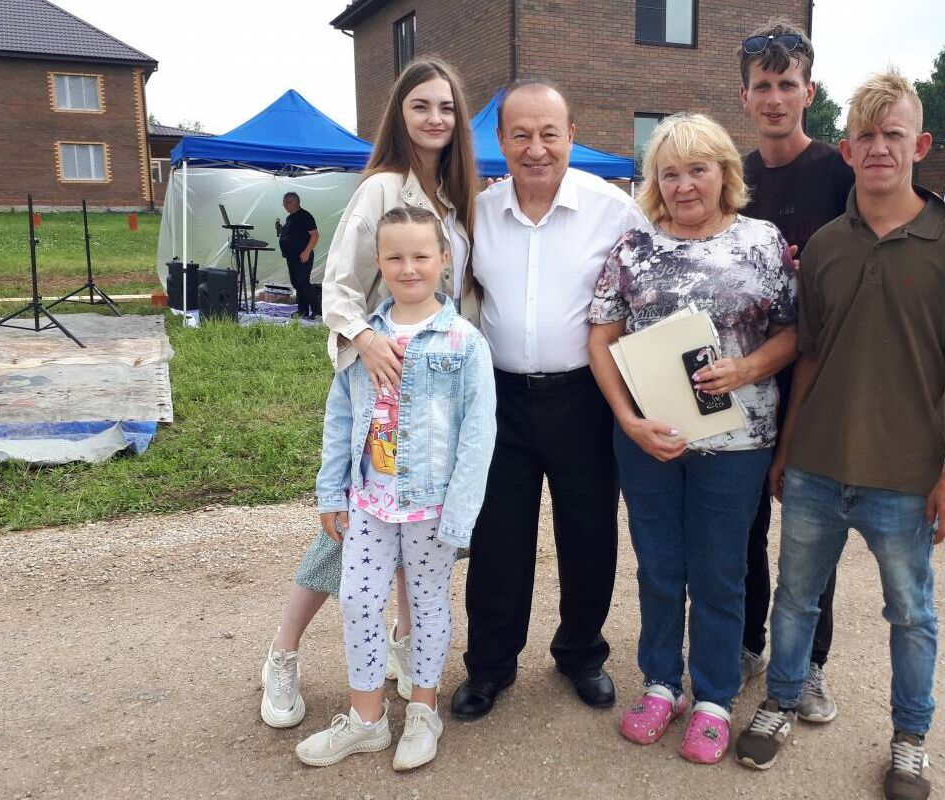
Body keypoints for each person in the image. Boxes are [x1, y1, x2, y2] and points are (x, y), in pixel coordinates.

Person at [734, 71, 945, 800]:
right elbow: (810, 353)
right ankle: (782, 700)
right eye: (866, 136)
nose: (879, 148)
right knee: (795, 599)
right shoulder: (823, 246)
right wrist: (787, 449)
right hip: (819, 463)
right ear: (847, 151)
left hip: (905, 475)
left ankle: (910, 738)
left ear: (920, 145)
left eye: (893, 135)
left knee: (911, 614)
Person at [259, 57, 479, 729]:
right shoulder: (384, 187)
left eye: (446, 106)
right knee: (345, 536)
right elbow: (341, 285)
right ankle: (282, 654)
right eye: (422, 106)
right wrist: (364, 338)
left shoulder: (450, 197)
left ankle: (407, 647)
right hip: (383, 383)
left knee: (419, 537)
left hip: (437, 391)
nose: (436, 117)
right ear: (400, 115)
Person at [588, 113, 797, 764]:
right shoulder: (634, 247)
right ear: (655, 184)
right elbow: (601, 338)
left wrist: (748, 367)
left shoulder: (763, 243)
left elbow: (796, 332)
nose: (684, 185)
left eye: (697, 169)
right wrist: (626, 419)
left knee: (719, 574)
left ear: (724, 173)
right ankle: (660, 684)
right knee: (658, 567)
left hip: (736, 445)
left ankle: (712, 697)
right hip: (650, 441)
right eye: (669, 173)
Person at [450, 79, 647, 721]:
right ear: (500, 141)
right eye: (521, 135)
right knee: (499, 537)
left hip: (586, 396)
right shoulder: (476, 214)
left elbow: (659, 274)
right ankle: (489, 667)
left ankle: (582, 653)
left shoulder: (612, 209)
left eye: (549, 134)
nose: (536, 149)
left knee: (589, 532)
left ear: (570, 136)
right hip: (500, 399)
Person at [295, 206, 496, 770]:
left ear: (443, 260)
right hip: (370, 502)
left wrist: (460, 515)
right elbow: (340, 418)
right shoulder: (364, 339)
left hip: (432, 507)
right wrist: (331, 493)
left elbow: (479, 437)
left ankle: (423, 712)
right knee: (358, 599)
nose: (408, 268)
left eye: (420, 256)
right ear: (379, 263)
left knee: (427, 606)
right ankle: (366, 720)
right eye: (395, 257)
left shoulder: (464, 344)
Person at [736, 21, 854, 722]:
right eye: (762, 87)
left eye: (787, 85)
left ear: (808, 91)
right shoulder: (735, 176)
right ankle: (749, 641)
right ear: (744, 97)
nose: (775, 98)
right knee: (742, 525)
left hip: (822, 377)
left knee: (812, 532)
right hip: (747, 376)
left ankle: (809, 663)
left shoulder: (840, 173)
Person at [277, 192, 321, 318]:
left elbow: (315, 235)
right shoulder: (291, 218)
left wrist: (306, 252)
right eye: (284, 202)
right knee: (297, 284)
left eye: (288, 202)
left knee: (303, 284)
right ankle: (302, 311)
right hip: (292, 257)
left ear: (296, 202)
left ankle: (317, 311)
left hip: (302, 256)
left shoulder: (304, 216)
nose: (285, 205)